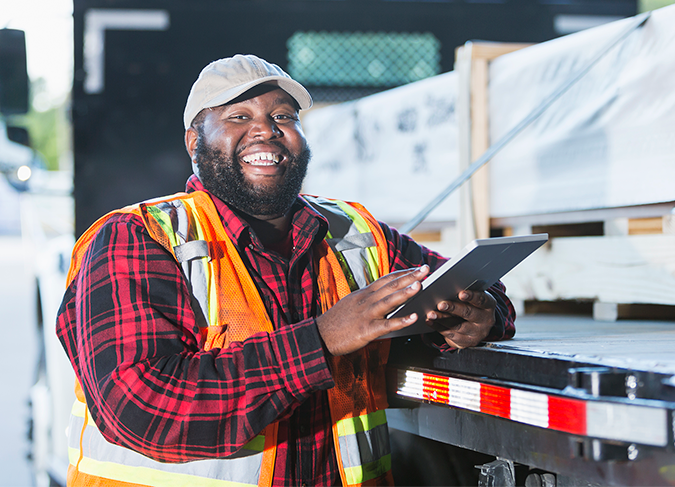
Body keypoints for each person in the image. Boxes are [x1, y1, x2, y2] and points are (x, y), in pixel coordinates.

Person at [56, 54, 516, 487]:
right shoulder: (137, 237)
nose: (266, 131)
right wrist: (322, 338)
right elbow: (144, 408)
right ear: (195, 142)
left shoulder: (353, 231)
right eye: (239, 117)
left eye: (283, 117)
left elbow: (471, 286)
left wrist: (477, 316)